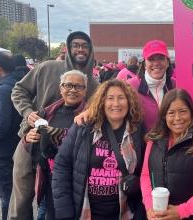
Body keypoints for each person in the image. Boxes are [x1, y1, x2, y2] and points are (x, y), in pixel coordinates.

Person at [8, 31, 98, 220]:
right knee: (21, 202)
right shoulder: (47, 68)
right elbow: (19, 90)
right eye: (76, 45)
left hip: (65, 153)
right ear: (67, 48)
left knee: (54, 202)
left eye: (85, 45)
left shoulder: (94, 84)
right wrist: (27, 112)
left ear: (90, 50)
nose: (80, 49)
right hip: (31, 141)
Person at [52, 79, 146, 220]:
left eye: (121, 98)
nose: (116, 104)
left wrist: (140, 212)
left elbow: (146, 172)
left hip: (124, 212)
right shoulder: (83, 128)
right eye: (110, 98)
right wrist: (65, 212)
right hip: (85, 211)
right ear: (102, 102)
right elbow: (61, 167)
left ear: (129, 102)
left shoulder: (137, 131)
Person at [140, 88, 193, 220]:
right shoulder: (153, 141)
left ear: (191, 113)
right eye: (171, 113)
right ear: (164, 116)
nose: (177, 118)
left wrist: (181, 211)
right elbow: (145, 176)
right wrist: (150, 206)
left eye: (183, 111)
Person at [23, 70, 87, 220]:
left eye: (78, 86)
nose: (73, 90)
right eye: (68, 85)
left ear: (85, 90)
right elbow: (27, 144)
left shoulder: (89, 114)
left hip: (75, 183)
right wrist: (28, 138)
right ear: (60, 88)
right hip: (48, 181)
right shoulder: (47, 112)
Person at [0, 52, 22, 220]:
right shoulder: (14, 85)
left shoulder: (4, 90)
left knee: (7, 197)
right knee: (15, 195)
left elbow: (0, 126)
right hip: (13, 148)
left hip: (4, 152)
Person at [127, 40, 175, 130]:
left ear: (168, 62)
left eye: (161, 58)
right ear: (145, 64)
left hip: (171, 143)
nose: (156, 63)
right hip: (142, 143)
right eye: (151, 59)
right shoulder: (130, 87)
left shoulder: (175, 85)